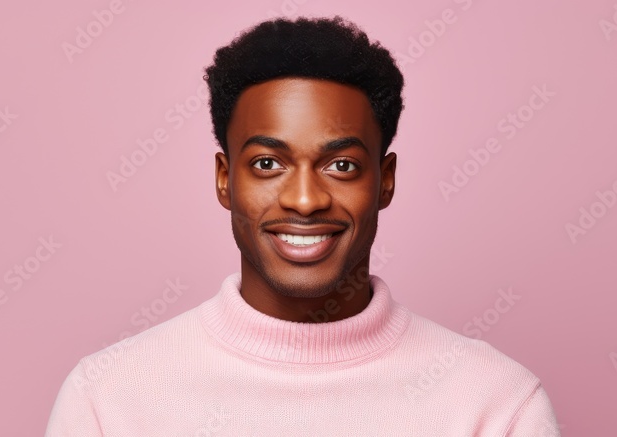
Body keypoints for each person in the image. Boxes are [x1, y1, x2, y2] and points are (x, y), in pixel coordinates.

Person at [45, 15, 560, 436]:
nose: (306, 200)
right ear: (225, 180)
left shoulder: (495, 405)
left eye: (341, 166)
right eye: (268, 164)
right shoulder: (108, 401)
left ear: (385, 181)